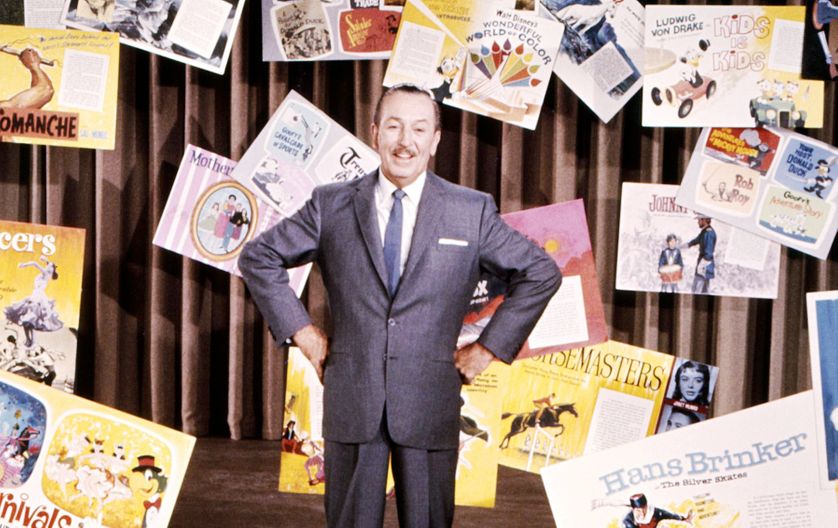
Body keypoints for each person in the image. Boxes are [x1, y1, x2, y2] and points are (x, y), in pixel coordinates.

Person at [239, 84, 561, 528]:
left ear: (436, 140)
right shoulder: (331, 204)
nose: (405, 141)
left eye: (419, 129)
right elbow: (259, 257)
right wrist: (304, 333)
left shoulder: (470, 211)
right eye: (393, 126)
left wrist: (487, 350)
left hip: (430, 400)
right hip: (354, 398)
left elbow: (542, 272)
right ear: (375, 133)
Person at [684, 215, 715, 294]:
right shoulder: (704, 231)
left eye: (699, 220)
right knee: (701, 289)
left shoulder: (709, 233)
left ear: (704, 220)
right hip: (702, 263)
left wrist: (702, 265)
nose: (698, 222)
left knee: (697, 289)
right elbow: (696, 240)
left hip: (704, 264)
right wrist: (686, 245)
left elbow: (709, 253)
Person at [622, 493, 693, 528]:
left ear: (646, 506)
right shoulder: (628, 520)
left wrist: (683, 519)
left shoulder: (655, 512)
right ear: (633, 509)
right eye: (638, 510)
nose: (642, 513)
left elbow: (670, 515)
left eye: (644, 509)